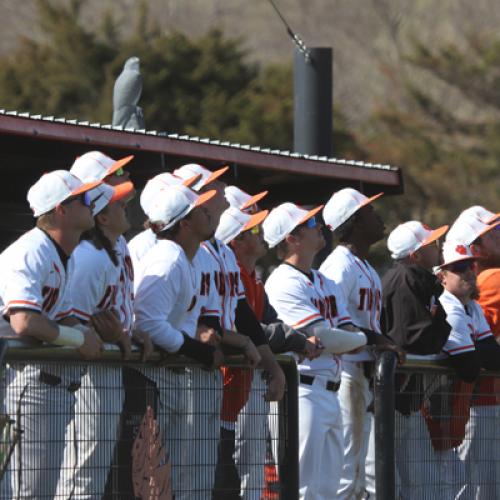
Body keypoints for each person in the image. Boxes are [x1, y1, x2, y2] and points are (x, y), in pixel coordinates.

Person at [263, 201, 391, 500]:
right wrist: (362, 339)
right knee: (303, 489)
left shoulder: (323, 280)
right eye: (309, 224)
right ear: (291, 238)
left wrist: (350, 338)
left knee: (330, 490)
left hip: (330, 391)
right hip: (300, 391)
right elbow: (325, 338)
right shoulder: (282, 281)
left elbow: (341, 334)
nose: (318, 225)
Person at [0, 170, 103, 498]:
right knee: (29, 492)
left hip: (26, 377)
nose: (92, 205)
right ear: (61, 209)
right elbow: (24, 322)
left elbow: (64, 317)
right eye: (83, 199)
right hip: (24, 380)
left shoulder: (62, 254)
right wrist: (79, 339)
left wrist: (90, 332)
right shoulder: (32, 250)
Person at [133, 182, 229, 499]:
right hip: (149, 381)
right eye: (199, 210)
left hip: (168, 378)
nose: (209, 213)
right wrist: (196, 350)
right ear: (184, 223)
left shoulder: (184, 257)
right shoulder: (168, 260)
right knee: (154, 480)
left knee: (175, 478)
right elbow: (147, 322)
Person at [54, 179, 137, 498]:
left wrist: (126, 335)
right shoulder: (89, 255)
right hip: (85, 371)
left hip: (103, 365)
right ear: (101, 216)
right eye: (118, 203)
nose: (126, 206)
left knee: (92, 470)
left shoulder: (113, 248)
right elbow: (67, 316)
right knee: (81, 472)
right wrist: (117, 336)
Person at [320, 188, 387, 499]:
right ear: (355, 222)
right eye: (370, 212)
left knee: (361, 473)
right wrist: (379, 340)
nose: (378, 216)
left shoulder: (365, 266)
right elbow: (335, 323)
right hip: (343, 372)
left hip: (362, 374)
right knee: (346, 472)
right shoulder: (338, 265)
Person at [382, 220, 451, 499]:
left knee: (422, 481)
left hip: (408, 400)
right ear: (415, 255)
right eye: (430, 244)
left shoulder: (419, 279)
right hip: (395, 399)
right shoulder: (405, 279)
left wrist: (439, 327)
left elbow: (440, 326)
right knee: (396, 482)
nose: (438, 247)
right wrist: (439, 328)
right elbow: (415, 338)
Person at [444, 207, 500, 499]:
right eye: (494, 231)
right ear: (474, 247)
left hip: (479, 398)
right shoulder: (492, 277)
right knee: (474, 488)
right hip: (477, 400)